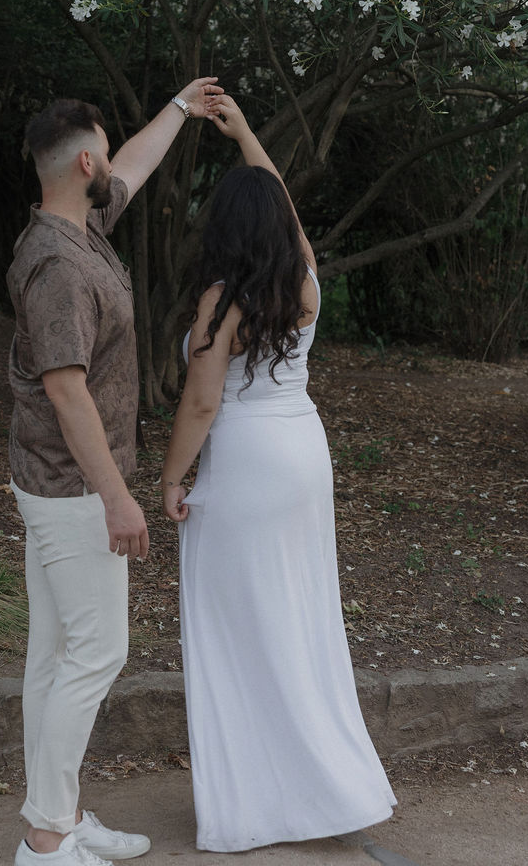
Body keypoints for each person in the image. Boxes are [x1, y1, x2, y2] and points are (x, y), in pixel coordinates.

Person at [160, 95, 397, 853]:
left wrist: (170, 479)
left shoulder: (220, 302)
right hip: (302, 454)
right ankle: (328, 784)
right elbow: (290, 223)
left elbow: (200, 404)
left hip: (245, 464)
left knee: (236, 628)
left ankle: (258, 802)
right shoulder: (303, 282)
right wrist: (250, 140)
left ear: (221, 227)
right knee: (300, 618)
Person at [8, 80, 222, 866]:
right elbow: (66, 391)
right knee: (97, 655)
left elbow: (134, 163)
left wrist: (179, 107)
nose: (114, 168)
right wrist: (118, 499)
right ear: (83, 162)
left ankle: (55, 814)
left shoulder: (82, 224)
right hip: (72, 490)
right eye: (105, 150)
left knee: (55, 656)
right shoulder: (59, 265)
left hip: (55, 483)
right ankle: (46, 838)